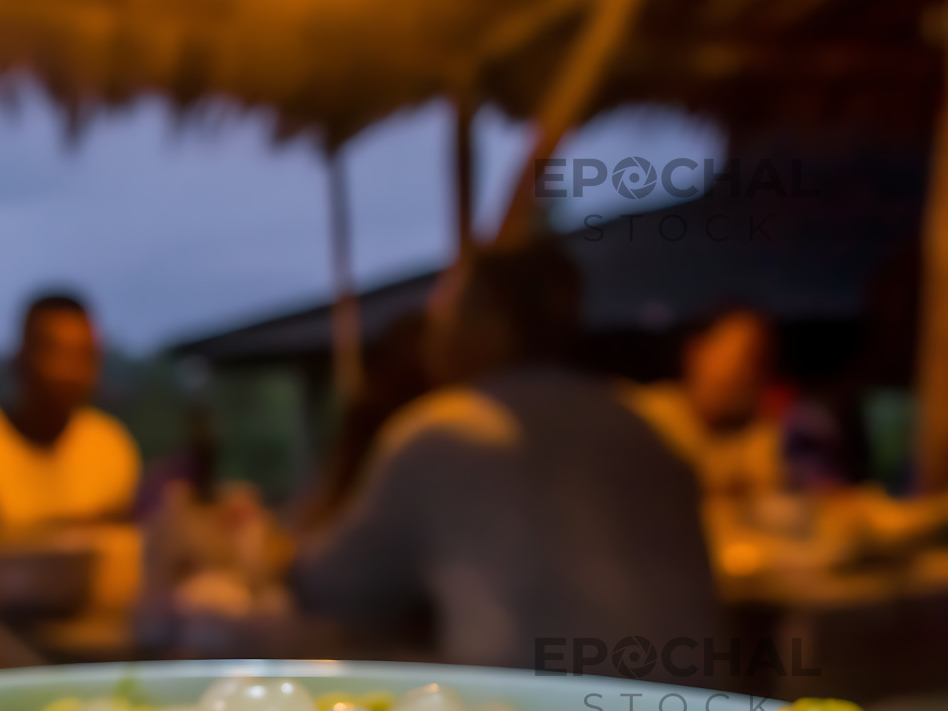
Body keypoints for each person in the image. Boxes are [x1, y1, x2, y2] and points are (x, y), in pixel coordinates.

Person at [291, 242, 720, 679]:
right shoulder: (652, 426)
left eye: (444, 310)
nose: (431, 331)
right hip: (697, 701)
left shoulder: (442, 429)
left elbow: (332, 587)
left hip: (541, 707)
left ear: (489, 320)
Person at [0, 292, 141, 549]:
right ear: (19, 359)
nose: (70, 372)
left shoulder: (110, 444)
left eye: (85, 355)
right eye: (56, 352)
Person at [626, 309, 784, 501]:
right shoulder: (646, 414)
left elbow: (772, 497)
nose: (741, 372)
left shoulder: (758, 436)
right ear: (695, 351)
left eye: (755, 360)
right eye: (733, 355)